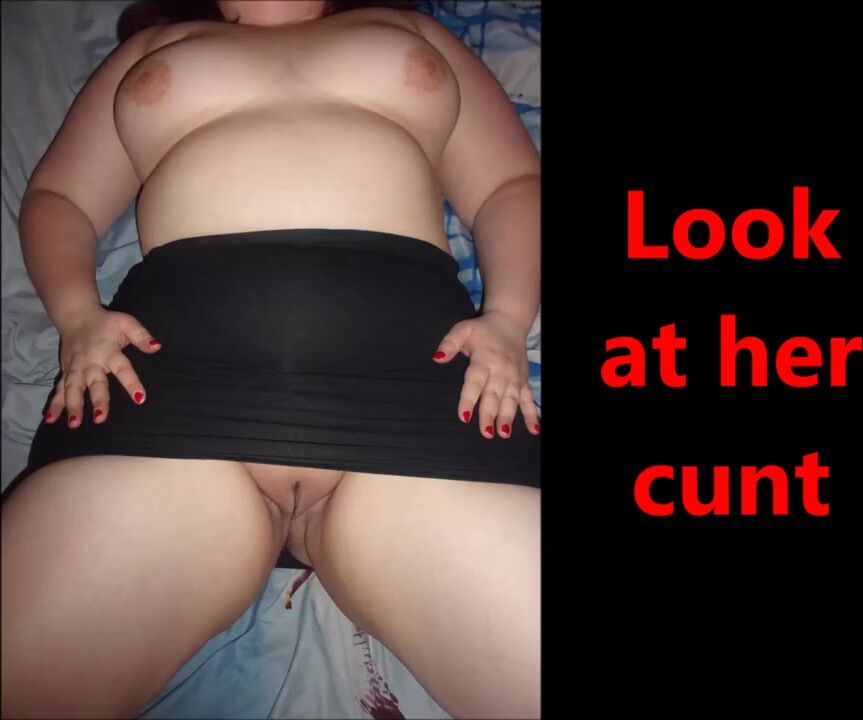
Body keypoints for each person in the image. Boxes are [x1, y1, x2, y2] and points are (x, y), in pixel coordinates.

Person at [0, 1, 541, 717]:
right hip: (164, 399)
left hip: (426, 399)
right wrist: (76, 316)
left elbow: (510, 185)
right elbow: (60, 196)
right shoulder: (157, 44)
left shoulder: (410, 28)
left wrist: (507, 318)